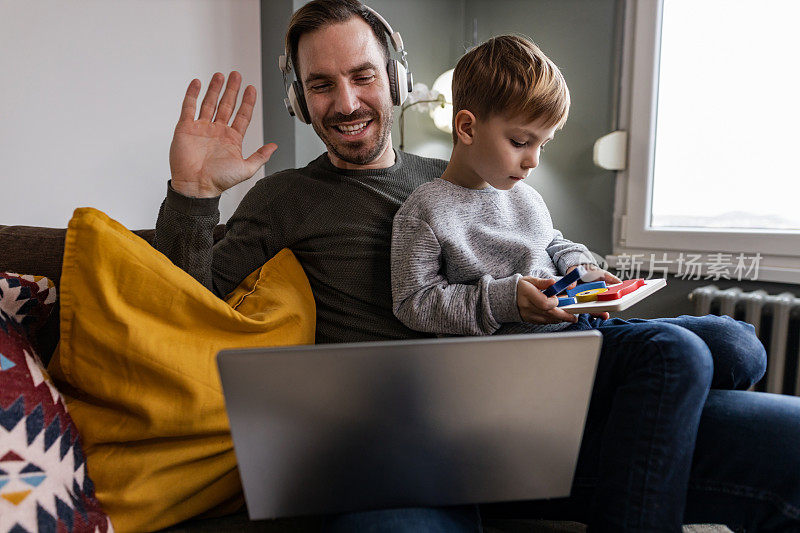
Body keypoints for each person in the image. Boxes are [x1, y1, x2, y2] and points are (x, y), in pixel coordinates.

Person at [152, 0, 800, 531]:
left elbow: (552, 243)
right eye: (321, 84)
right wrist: (193, 195)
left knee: (732, 357)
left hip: (543, 400)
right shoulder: (284, 197)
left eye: (363, 75)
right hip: (405, 445)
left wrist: (586, 281)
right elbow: (186, 300)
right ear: (301, 97)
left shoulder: (480, 173)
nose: (345, 101)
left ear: (398, 77)